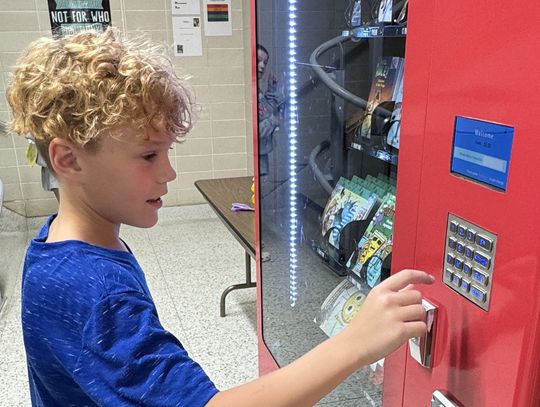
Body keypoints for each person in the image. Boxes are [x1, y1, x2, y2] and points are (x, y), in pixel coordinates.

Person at [6, 28, 434, 406]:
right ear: (69, 159)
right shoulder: (93, 289)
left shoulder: (57, 243)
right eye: (149, 155)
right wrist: (354, 342)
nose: (169, 173)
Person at [256, 44, 282, 176]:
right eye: (258, 60)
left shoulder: (257, 91)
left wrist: (271, 90)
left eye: (265, 62)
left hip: (262, 156)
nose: (262, 66)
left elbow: (265, 112)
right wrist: (274, 121)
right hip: (255, 159)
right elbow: (255, 132)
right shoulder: (248, 92)